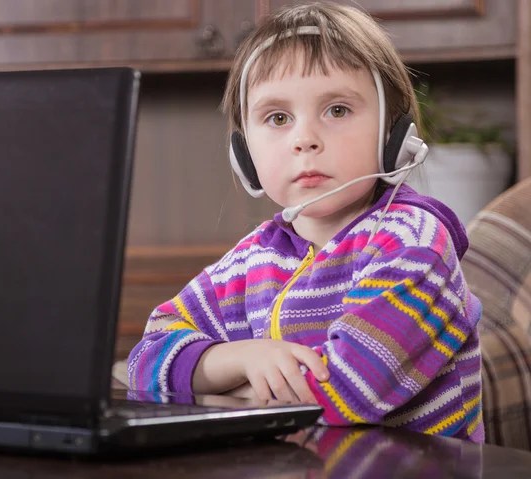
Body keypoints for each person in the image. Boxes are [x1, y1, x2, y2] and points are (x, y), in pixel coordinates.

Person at [127, 2, 484, 443]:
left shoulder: (415, 245)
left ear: (394, 134)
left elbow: (344, 390)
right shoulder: (251, 260)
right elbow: (143, 364)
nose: (304, 140)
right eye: (277, 118)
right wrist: (245, 358)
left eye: (337, 110)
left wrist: (209, 387)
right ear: (245, 155)